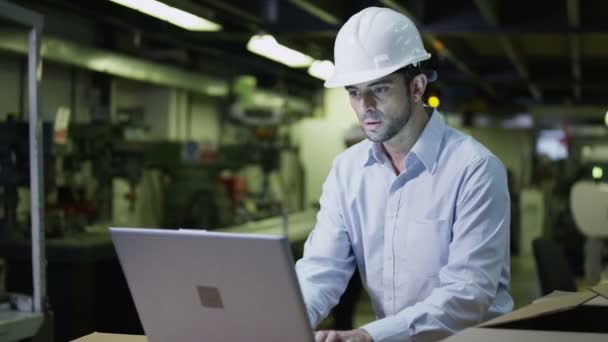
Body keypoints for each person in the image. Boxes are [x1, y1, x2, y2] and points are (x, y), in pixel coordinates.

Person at [295, 7, 513, 342]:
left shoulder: (475, 170)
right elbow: (323, 269)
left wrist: (369, 335)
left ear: (417, 87)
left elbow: (468, 295)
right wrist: (288, 319)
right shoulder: (347, 171)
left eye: (379, 89)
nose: (364, 104)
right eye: (354, 91)